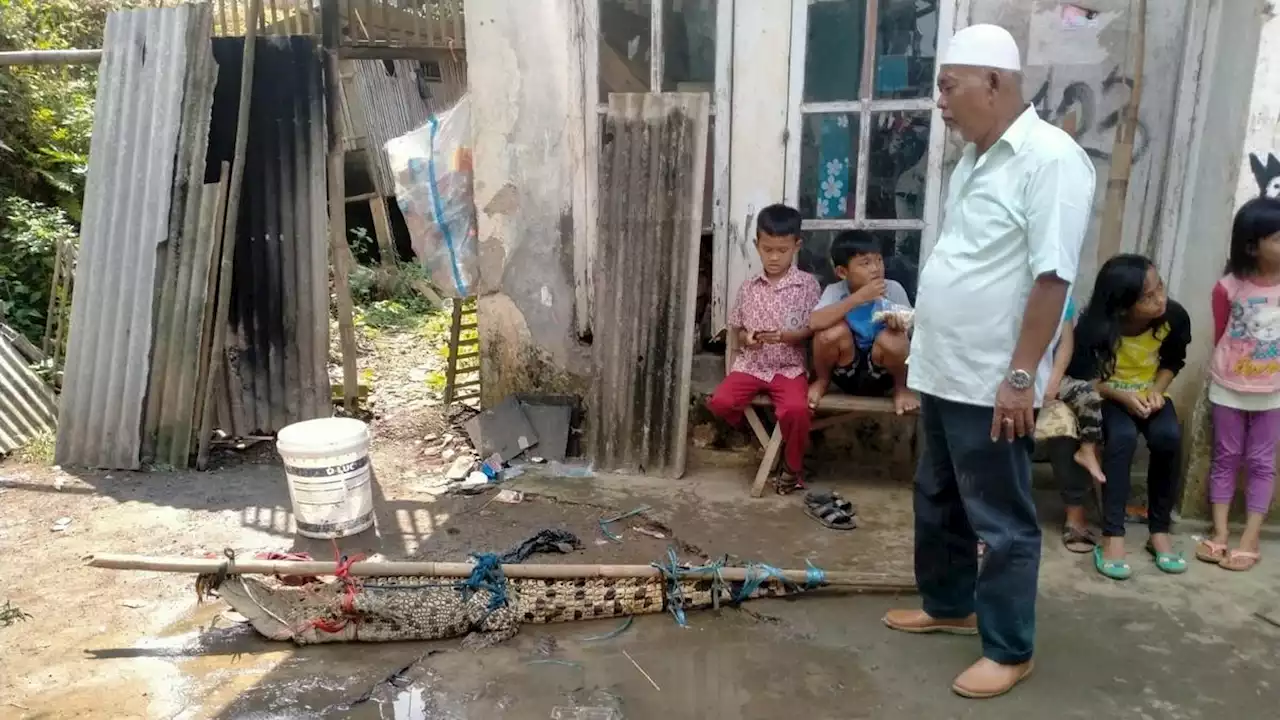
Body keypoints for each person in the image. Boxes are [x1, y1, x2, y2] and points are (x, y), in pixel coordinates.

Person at [881, 24, 1095, 699]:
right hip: (945, 367)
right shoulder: (977, 157)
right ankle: (949, 605)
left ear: (994, 84)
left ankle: (1010, 648)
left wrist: (1022, 376)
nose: (939, 101)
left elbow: (1052, 279)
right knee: (938, 496)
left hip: (993, 378)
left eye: (948, 87)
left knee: (1000, 519)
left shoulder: (1049, 160)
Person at [1068, 254, 1191, 580]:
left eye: (1160, 288)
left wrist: (1157, 391)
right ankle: (1112, 536)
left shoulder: (1173, 317)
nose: (1160, 299)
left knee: (1168, 437)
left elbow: (1173, 361)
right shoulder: (1094, 327)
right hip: (1110, 398)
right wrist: (1120, 395)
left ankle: (1159, 532)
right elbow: (1082, 378)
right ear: (1122, 306)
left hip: (1150, 397)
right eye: (1148, 297)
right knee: (1120, 440)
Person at [707, 204, 820, 494]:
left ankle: (792, 467)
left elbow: (814, 328)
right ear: (757, 245)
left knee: (796, 410)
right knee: (720, 401)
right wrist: (748, 339)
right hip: (752, 365)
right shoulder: (748, 288)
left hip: (789, 367)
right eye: (767, 249)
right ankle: (766, 440)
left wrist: (790, 336)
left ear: (796, 245)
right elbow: (740, 331)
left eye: (781, 250)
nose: (773, 257)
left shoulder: (807, 286)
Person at [1196, 196, 1280, 571]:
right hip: (1228, 386)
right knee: (1226, 458)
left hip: (1275, 392)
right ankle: (1219, 532)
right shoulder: (1228, 287)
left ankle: (1250, 536)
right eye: (1277, 239)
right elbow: (1220, 334)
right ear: (1252, 244)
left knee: (1262, 462)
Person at [807, 230, 917, 414]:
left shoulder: (893, 288)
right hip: (845, 369)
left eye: (879, 260)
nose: (875, 268)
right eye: (865, 263)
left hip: (883, 372)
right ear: (842, 272)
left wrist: (898, 325)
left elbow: (911, 329)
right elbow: (814, 323)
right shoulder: (836, 291)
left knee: (893, 337)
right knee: (830, 333)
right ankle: (822, 381)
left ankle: (901, 389)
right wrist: (858, 298)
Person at [1043, 296, 1107, 553]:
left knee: (1070, 418)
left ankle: (1075, 513)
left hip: (1047, 380)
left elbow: (1065, 344)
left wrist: (1052, 383)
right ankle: (982, 522)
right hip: (1000, 381)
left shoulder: (1060, 293)